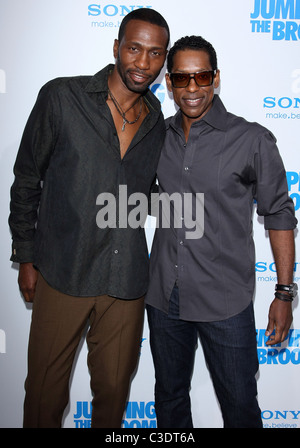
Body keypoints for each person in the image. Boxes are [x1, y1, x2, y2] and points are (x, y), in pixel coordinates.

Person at [9, 8, 169, 428]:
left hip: (126, 280)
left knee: (114, 396)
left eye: (155, 54)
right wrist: (26, 256)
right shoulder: (63, 97)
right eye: (134, 48)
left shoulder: (158, 124)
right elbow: (27, 178)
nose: (143, 63)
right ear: (116, 47)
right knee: (44, 394)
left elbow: (150, 193)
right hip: (64, 270)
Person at [146, 35, 297, 428]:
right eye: (181, 79)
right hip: (164, 297)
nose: (192, 88)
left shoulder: (252, 139)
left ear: (216, 78)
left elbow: (279, 213)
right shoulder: (155, 137)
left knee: (241, 408)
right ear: (168, 81)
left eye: (202, 77)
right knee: (170, 401)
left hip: (224, 300)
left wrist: (285, 293)